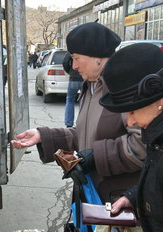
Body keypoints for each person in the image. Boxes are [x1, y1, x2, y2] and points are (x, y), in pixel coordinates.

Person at [11, 22, 146, 204]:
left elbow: (141, 146)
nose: (73, 66)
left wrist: (95, 157)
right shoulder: (91, 86)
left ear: (97, 57)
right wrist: (44, 136)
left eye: (76, 58)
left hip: (119, 201)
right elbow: (83, 135)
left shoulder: (123, 87)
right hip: (92, 193)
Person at [98, 43, 163, 231]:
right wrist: (135, 197)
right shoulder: (156, 133)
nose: (130, 122)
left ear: (159, 101)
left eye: (133, 111)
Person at [63, 52, 83, 127]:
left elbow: (65, 62)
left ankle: (69, 123)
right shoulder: (86, 47)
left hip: (73, 79)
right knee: (84, 101)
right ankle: (81, 122)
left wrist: (70, 72)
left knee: (70, 100)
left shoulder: (72, 49)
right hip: (84, 79)